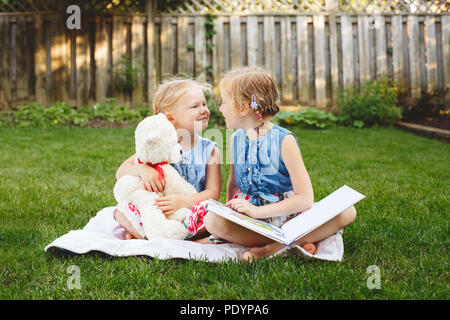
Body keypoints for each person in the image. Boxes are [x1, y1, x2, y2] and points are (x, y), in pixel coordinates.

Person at [200, 66, 357, 262]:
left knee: (347, 210)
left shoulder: (284, 141)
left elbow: (305, 198)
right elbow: (233, 183)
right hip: (252, 221)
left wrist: (258, 211)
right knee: (213, 221)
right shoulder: (236, 139)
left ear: (243, 107)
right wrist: (231, 210)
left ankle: (270, 249)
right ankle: (298, 241)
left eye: (224, 102)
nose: (221, 108)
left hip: (287, 216)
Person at [114, 78, 222, 240]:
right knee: (120, 211)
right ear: (171, 118)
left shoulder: (210, 150)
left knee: (214, 215)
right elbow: (121, 172)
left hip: (190, 212)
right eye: (195, 106)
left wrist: (184, 201)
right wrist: (143, 169)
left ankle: (146, 236)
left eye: (204, 104)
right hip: (158, 212)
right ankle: (156, 233)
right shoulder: (159, 144)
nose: (203, 109)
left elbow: (213, 192)